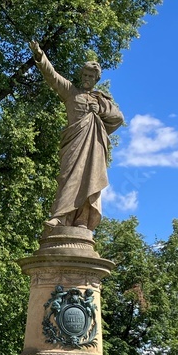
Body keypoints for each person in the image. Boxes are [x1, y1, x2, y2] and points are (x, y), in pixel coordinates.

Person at [30, 40, 124, 231]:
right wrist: (40, 56)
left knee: (89, 179)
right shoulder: (72, 92)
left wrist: (101, 110)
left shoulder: (101, 99)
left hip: (93, 146)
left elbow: (118, 118)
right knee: (67, 177)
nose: (87, 78)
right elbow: (53, 77)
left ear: (96, 79)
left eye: (91, 76)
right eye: (85, 74)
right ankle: (60, 217)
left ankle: (82, 219)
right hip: (73, 143)